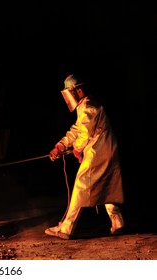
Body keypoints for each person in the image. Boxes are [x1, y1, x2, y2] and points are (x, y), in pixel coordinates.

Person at [46, 73, 125, 240]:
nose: (69, 95)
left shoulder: (89, 107)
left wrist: (77, 149)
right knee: (106, 186)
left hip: (98, 152)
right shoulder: (85, 105)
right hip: (105, 150)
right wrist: (61, 145)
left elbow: (84, 132)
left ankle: (66, 228)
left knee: (81, 186)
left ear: (78, 90)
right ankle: (117, 223)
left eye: (70, 91)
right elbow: (77, 129)